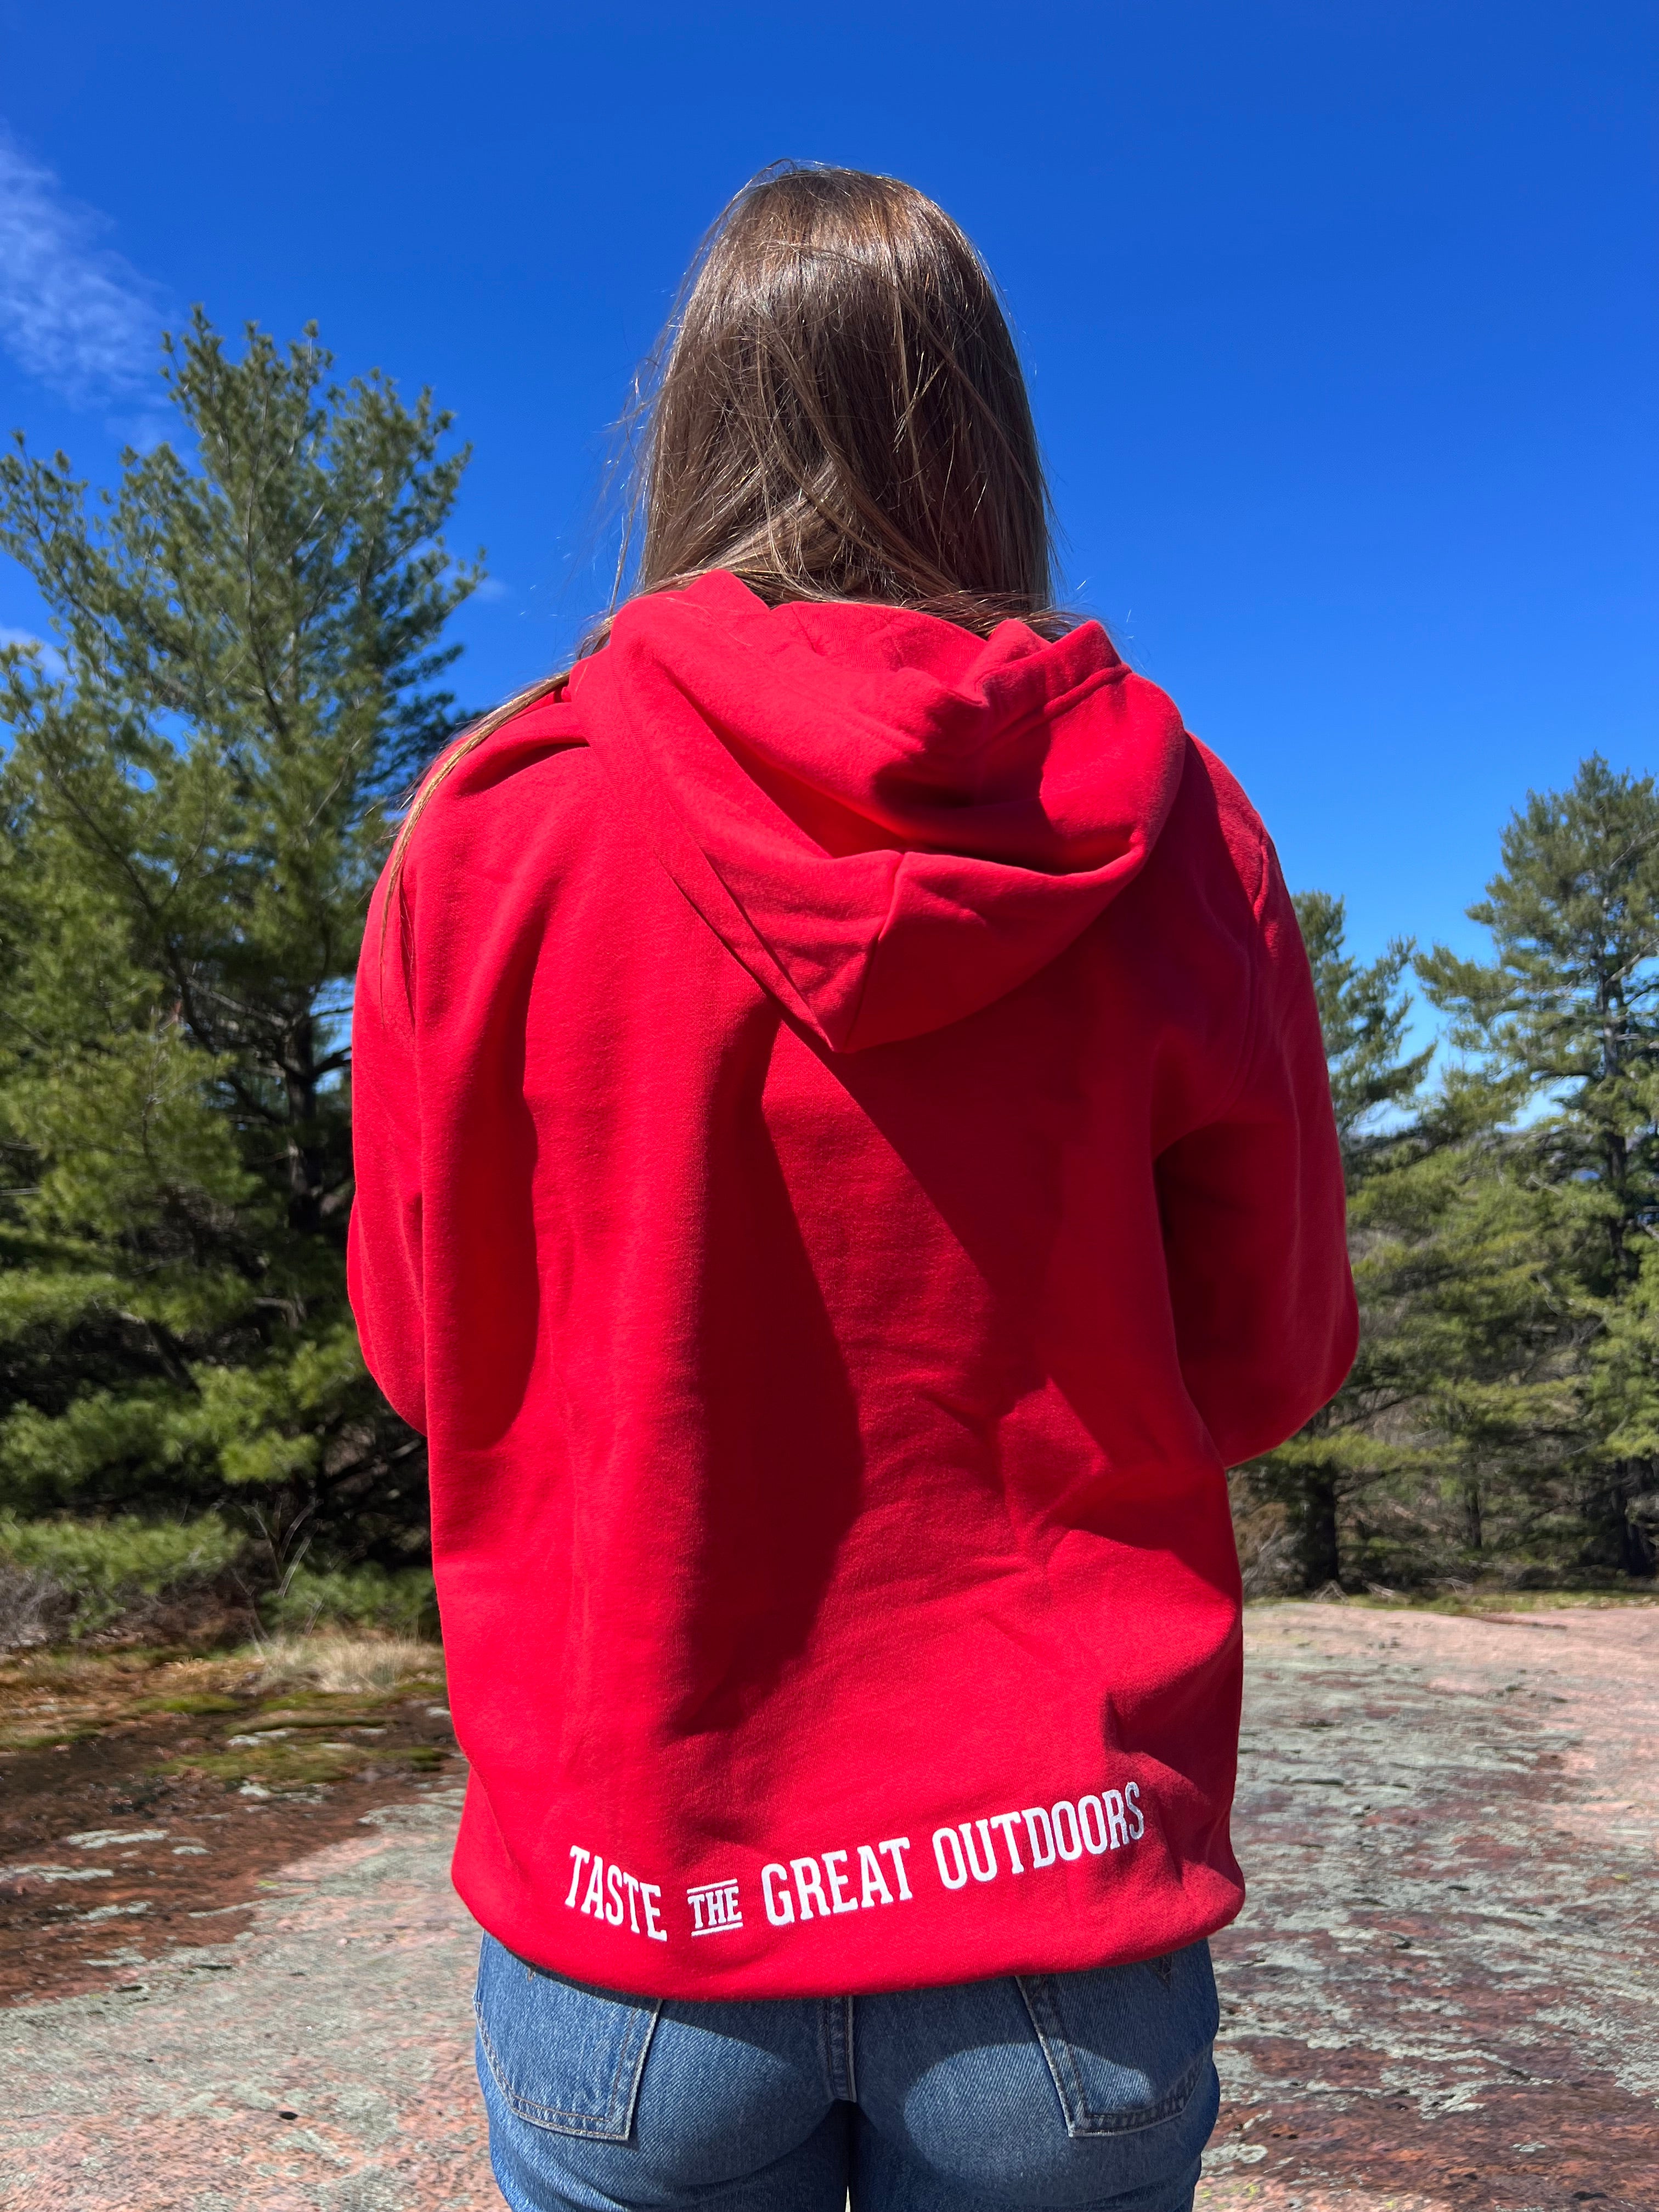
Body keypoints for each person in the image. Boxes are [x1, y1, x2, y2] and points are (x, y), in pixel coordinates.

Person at [348, 163, 1356, 2212]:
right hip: (1055, 1909)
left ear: (693, 426)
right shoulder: (1175, 830)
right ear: (987, 434)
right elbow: (1267, 1363)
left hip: (643, 1911)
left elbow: (421, 1360)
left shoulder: (493, 828)